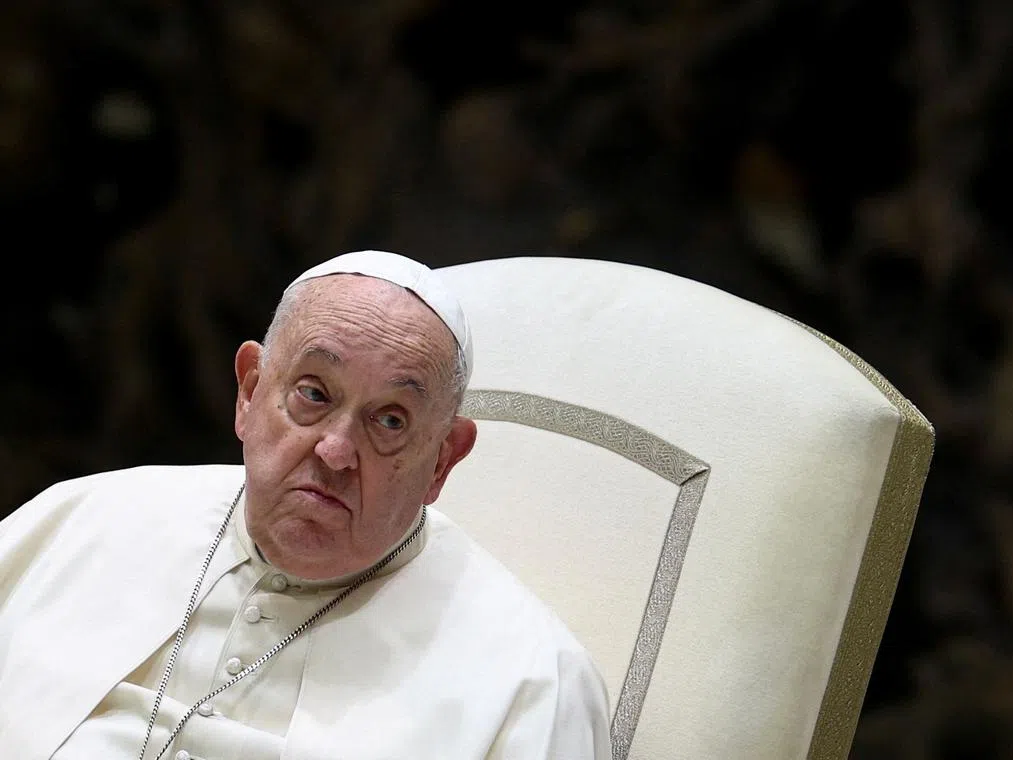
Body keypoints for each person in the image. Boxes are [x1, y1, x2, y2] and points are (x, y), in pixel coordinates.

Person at [0, 251, 613, 759]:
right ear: (249, 392)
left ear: (443, 461)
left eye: (390, 421)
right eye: (314, 393)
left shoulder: (532, 684)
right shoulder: (79, 523)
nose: (337, 450)